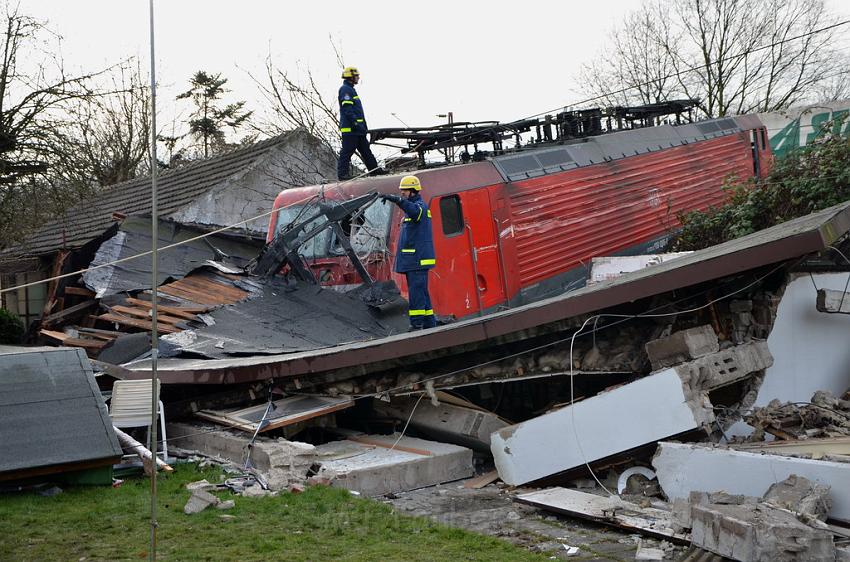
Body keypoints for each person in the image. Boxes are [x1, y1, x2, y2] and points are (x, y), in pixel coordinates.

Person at [381, 175, 437, 330]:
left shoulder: (420, 207)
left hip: (417, 260)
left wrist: (396, 200)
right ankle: (429, 323)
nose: (402, 193)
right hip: (413, 260)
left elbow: (414, 211)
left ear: (413, 190)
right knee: (422, 292)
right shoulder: (413, 208)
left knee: (416, 293)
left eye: (404, 190)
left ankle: (417, 323)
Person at [337, 66, 380, 180]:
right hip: (351, 130)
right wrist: (356, 124)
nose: (358, 78)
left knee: (366, 151)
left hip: (358, 129)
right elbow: (348, 109)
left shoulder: (350, 89)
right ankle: (342, 175)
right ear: (350, 77)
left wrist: (361, 126)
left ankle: (375, 170)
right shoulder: (345, 89)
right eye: (356, 76)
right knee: (347, 152)